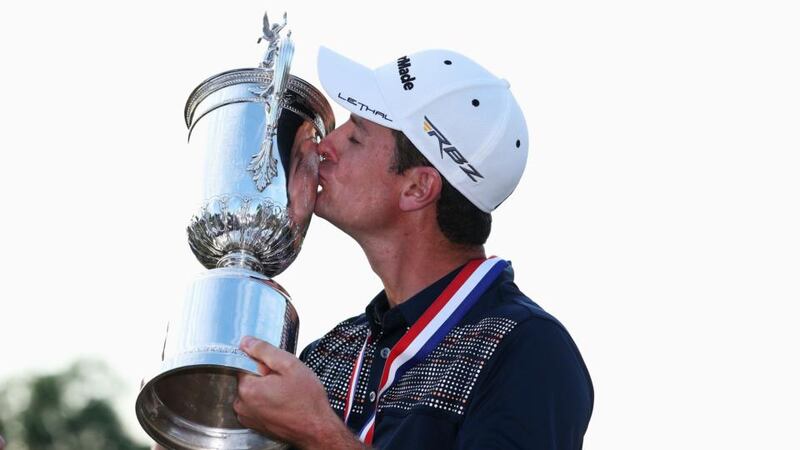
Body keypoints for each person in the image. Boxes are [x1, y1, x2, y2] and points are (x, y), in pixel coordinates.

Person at [233, 47, 594, 449]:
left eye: (354, 135)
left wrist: (320, 434)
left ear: (417, 188)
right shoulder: (335, 350)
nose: (324, 147)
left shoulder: (529, 349)